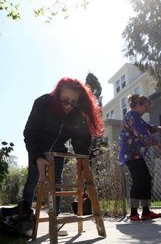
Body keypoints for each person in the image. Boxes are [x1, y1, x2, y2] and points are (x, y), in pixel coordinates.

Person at [22, 77, 104, 214]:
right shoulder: (42, 103)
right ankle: (24, 216)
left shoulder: (75, 113)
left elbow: (80, 140)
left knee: (57, 184)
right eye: (65, 101)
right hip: (38, 148)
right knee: (32, 180)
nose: (68, 106)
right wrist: (37, 156)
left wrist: (84, 162)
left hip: (58, 151)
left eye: (73, 103)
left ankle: (55, 218)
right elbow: (29, 132)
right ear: (57, 94)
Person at [118, 94, 161, 221]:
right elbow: (143, 134)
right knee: (139, 180)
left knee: (146, 178)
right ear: (139, 105)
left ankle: (146, 211)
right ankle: (133, 213)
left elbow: (147, 127)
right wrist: (160, 149)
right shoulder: (132, 116)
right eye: (146, 107)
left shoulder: (137, 117)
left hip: (136, 154)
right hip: (130, 154)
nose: (147, 110)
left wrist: (157, 128)